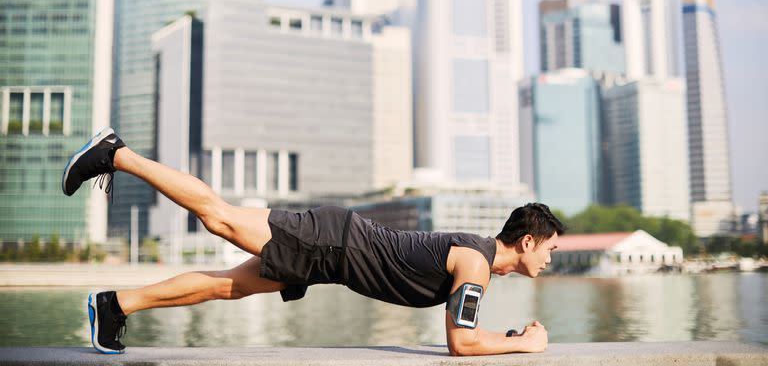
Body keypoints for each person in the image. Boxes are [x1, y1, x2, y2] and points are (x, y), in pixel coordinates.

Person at [62, 128, 565, 356]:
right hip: (330, 242)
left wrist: (511, 339)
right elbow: (463, 343)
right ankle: (117, 154)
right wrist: (526, 345)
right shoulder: (474, 262)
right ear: (526, 241)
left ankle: (114, 306)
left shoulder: (479, 262)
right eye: (550, 248)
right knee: (220, 219)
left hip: (331, 258)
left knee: (228, 287)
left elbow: (468, 334)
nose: (550, 258)